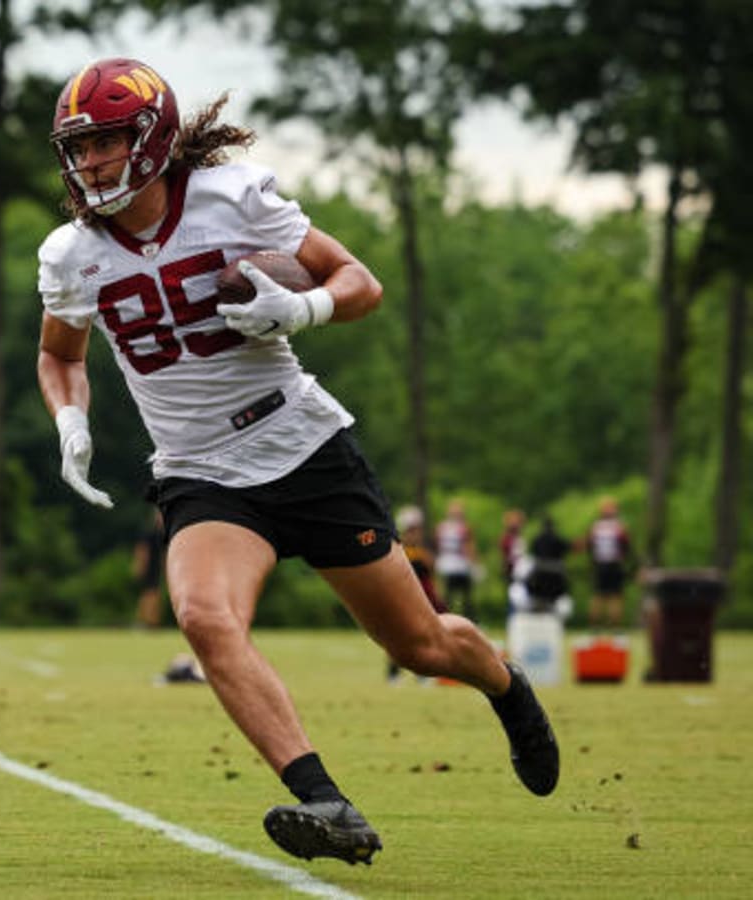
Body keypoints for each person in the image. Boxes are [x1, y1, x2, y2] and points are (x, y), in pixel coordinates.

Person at [35, 58, 558, 867]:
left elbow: (361, 282)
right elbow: (59, 355)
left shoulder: (230, 199)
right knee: (205, 617)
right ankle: (326, 801)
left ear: (152, 140)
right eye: (81, 147)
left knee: (418, 645)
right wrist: (71, 420)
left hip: (302, 446)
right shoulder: (71, 253)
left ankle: (505, 686)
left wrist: (303, 306)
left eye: (105, 143)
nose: (91, 163)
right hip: (200, 469)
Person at [387, 505, 448, 682]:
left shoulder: (423, 554)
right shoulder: (398, 553)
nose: (415, 534)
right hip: (403, 601)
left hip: (423, 601)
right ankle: (393, 673)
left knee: (424, 639)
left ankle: (423, 674)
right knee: (397, 637)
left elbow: (432, 578)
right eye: (411, 530)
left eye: (417, 530)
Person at [583, 496, 632, 629]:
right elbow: (627, 545)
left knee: (599, 595)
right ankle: (614, 626)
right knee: (615, 596)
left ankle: (594, 625)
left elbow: (588, 545)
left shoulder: (596, 526)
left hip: (600, 564)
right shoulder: (619, 526)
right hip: (614, 563)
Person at [434, 498, 480, 621]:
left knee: (460, 597)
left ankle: (447, 619)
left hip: (455, 565)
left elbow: (469, 547)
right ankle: (449, 619)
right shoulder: (458, 528)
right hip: (452, 565)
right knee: (455, 597)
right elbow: (469, 547)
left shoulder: (443, 527)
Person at [131, 509, 165, 628]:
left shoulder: (162, 535)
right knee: (149, 595)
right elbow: (141, 550)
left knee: (152, 594)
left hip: (156, 568)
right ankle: (147, 622)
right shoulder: (150, 533)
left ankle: (150, 622)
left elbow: (163, 554)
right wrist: (139, 566)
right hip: (148, 567)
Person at [499, 508, 527, 588]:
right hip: (512, 567)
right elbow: (505, 553)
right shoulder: (507, 537)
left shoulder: (519, 536)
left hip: (521, 567)